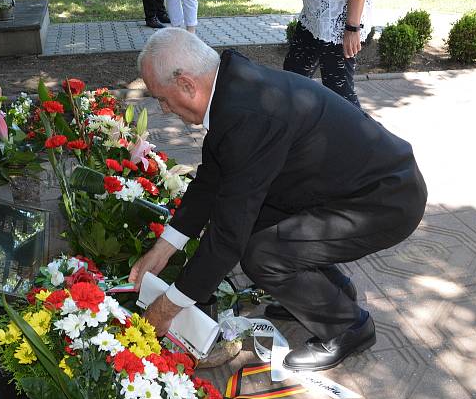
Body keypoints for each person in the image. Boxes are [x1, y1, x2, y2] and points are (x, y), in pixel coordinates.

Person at [131, 28, 426, 372]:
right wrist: (162, 249)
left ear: (186, 84)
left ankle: (348, 327)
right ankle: (327, 294)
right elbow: (212, 181)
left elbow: (227, 238)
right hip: (352, 187)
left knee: (262, 254)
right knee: (258, 224)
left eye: (162, 99)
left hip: (384, 200)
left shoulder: (247, 115)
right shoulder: (230, 87)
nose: (164, 110)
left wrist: (167, 307)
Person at [283, 0, 376, 107]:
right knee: (292, 79)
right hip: (314, 16)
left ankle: (364, 126)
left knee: (340, 98)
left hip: (336, 23)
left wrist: (352, 27)